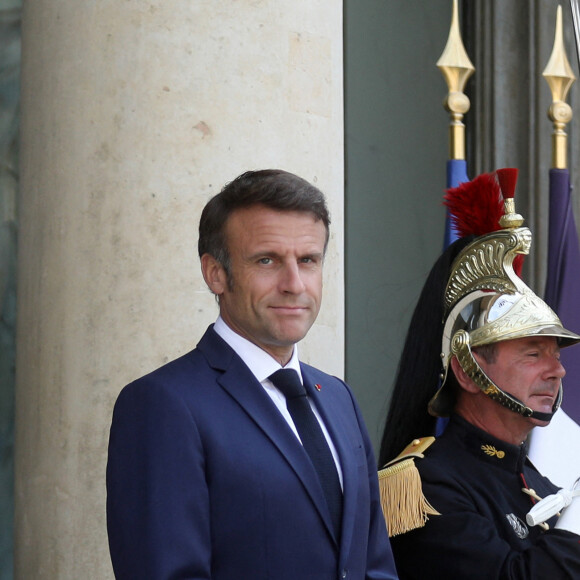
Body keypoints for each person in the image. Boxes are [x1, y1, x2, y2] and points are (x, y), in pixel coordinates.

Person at [106, 169, 398, 580]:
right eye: (267, 260)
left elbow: (373, 565)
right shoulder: (162, 404)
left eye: (308, 261)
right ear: (216, 274)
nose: (294, 284)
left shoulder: (337, 397)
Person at [377, 169, 580, 579]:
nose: (556, 369)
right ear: (468, 372)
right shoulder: (423, 486)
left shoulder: (535, 478)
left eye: (554, 353)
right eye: (532, 353)